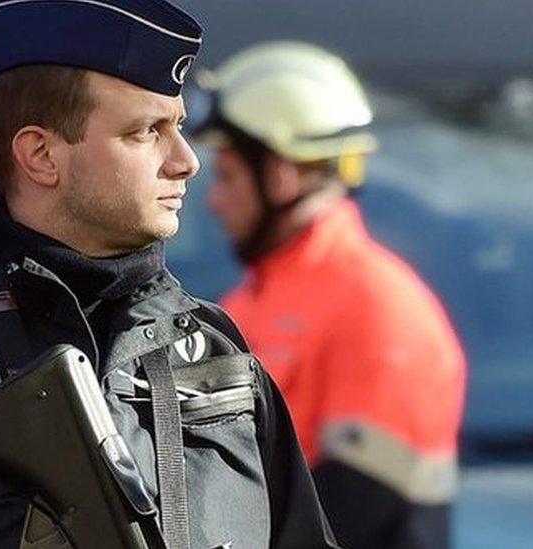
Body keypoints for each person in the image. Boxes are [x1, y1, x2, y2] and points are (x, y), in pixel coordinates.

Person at [0, 2, 338, 548]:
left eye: (179, 126)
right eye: (146, 132)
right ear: (40, 154)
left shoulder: (213, 346)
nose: (186, 160)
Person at [197, 42, 467, 549]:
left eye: (228, 176)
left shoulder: (378, 308)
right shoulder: (245, 303)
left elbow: (350, 514)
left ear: (280, 175)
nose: (214, 200)